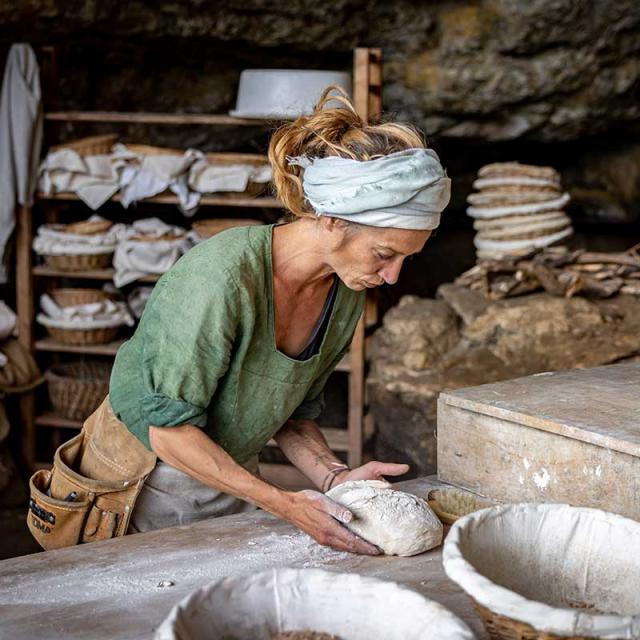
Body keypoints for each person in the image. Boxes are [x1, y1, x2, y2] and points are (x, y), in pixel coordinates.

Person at [105, 87, 450, 554]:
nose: (392, 277)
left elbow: (289, 412)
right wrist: (285, 504)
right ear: (331, 221)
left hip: (234, 476)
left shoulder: (343, 289)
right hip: (144, 484)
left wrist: (336, 478)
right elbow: (168, 432)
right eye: (385, 253)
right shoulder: (222, 278)